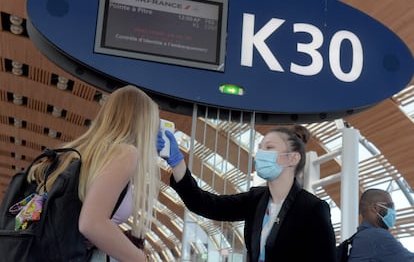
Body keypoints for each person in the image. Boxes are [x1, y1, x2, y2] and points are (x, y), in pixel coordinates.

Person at [160, 125, 337, 261]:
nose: (261, 154)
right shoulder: (256, 199)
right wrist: (177, 163)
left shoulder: (312, 208)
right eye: (261, 147)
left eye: (269, 148)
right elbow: (205, 203)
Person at [27, 85, 160, 261]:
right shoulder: (125, 152)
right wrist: (142, 259)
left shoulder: (76, 152)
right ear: (144, 124)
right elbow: (92, 223)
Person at [348, 188, 414, 261]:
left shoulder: (362, 236)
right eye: (390, 206)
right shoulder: (376, 236)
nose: (393, 211)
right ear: (375, 208)